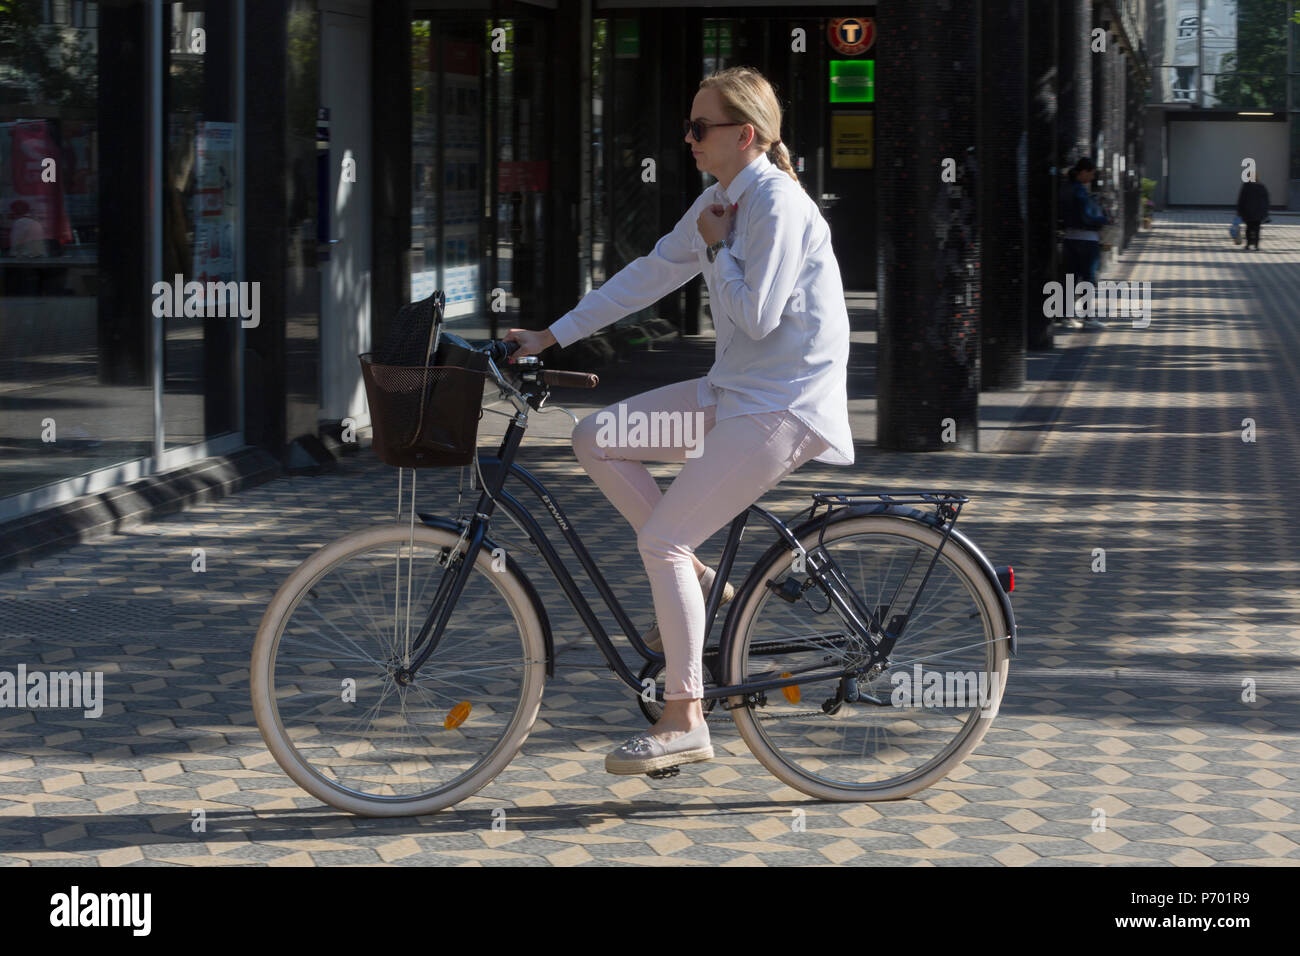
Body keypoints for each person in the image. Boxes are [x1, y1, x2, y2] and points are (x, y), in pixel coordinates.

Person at [505, 66, 854, 776]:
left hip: (780, 405)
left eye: (700, 127)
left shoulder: (776, 208)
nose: (688, 137)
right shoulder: (720, 201)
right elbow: (650, 273)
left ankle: (684, 717)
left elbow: (757, 316)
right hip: (734, 393)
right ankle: (695, 572)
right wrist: (549, 337)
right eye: (689, 126)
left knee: (660, 539)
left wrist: (717, 247)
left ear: (744, 135)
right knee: (596, 438)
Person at [1061, 157, 1110, 330]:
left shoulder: (1066, 189)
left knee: (1070, 278)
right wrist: (1104, 219)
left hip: (1069, 238)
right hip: (1087, 240)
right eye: (1091, 173)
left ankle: (1067, 316)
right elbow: (1087, 217)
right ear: (1083, 171)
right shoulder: (1080, 192)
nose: (1092, 177)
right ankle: (1087, 317)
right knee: (1088, 278)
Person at [1236, 176, 1270, 251]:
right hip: (1258, 213)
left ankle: (1248, 244)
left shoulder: (1246, 186)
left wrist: (1239, 211)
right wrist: (1265, 211)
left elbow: (1241, 200)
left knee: (1248, 228)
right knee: (1257, 229)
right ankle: (1256, 245)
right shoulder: (1261, 186)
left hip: (1248, 212)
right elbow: (1266, 200)